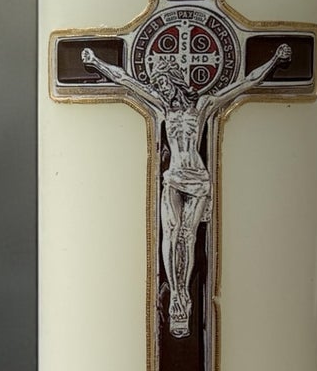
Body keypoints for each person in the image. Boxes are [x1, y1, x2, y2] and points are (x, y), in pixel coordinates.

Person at [81, 41, 291, 336]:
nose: (161, 89)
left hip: (198, 180)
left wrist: (274, 61)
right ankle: (178, 294)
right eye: (158, 85)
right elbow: (126, 81)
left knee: (187, 236)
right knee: (170, 230)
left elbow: (246, 83)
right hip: (174, 176)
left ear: (174, 80)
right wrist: (97, 63)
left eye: (163, 83)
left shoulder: (203, 107)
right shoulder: (163, 107)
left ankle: (185, 295)